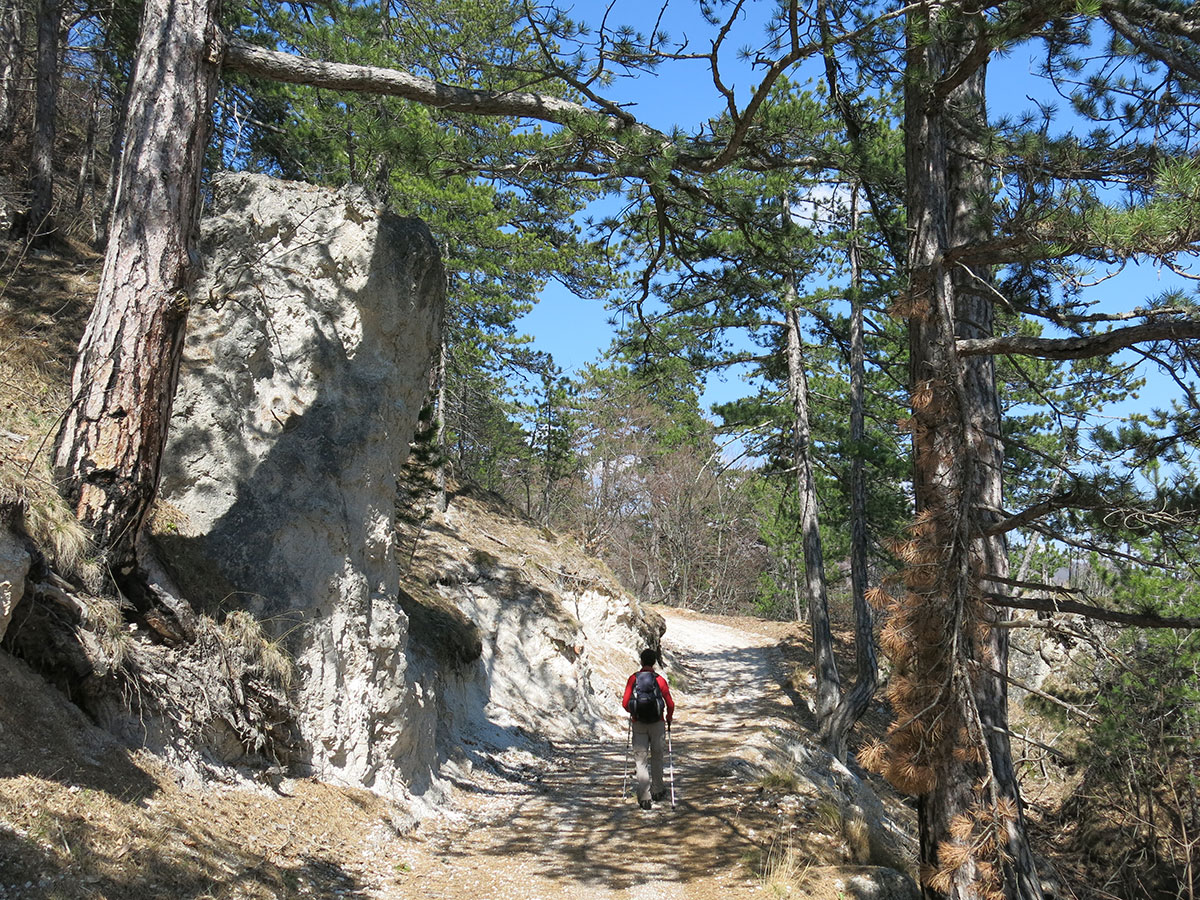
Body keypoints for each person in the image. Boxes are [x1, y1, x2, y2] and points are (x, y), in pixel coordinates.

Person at [622, 647, 675, 810]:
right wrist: (668, 718)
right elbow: (670, 703)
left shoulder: (633, 679)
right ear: (654, 663)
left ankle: (644, 797)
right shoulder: (660, 680)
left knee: (641, 760)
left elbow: (625, 703)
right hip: (657, 724)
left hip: (638, 724)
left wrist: (635, 713)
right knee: (657, 757)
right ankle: (658, 790)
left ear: (641, 661)